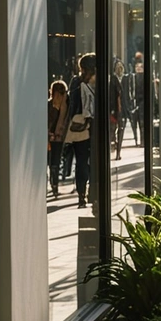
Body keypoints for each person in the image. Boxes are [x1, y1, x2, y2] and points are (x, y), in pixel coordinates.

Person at [65, 53, 96, 207]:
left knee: (81, 161)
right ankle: (93, 190)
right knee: (95, 160)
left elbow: (72, 104)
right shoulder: (100, 80)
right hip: (96, 127)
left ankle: (81, 195)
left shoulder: (76, 81)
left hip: (80, 127)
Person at [47, 80, 69, 199]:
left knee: (54, 162)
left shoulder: (63, 106)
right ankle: (54, 184)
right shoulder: (53, 106)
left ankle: (54, 184)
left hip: (55, 138)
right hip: (53, 138)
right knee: (53, 162)